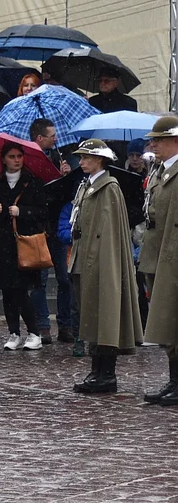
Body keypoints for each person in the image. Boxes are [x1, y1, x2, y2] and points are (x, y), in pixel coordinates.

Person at [65, 139, 143, 394]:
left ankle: (106, 373)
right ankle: (97, 370)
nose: (81, 161)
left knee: (105, 316)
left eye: (86, 157)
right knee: (92, 316)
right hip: (86, 259)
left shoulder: (108, 188)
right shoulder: (87, 186)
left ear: (99, 160)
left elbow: (108, 233)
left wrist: (101, 264)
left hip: (100, 262)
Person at [0, 140, 48, 351]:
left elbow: (43, 212)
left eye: (19, 156)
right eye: (12, 157)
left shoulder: (33, 183)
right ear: (3, 159)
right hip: (0, 246)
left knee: (20, 290)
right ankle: (14, 332)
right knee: (7, 291)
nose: (16, 161)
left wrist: (23, 212)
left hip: (23, 245)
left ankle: (34, 332)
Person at [139, 116, 178, 404]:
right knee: (165, 323)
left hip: (172, 257)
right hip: (157, 253)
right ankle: (173, 380)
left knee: (173, 320)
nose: (153, 144)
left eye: (159, 140)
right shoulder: (161, 171)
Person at [28, 117, 74, 344]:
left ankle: (65, 324)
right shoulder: (27, 159)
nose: (55, 139)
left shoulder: (57, 156)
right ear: (39, 138)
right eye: (51, 135)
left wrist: (64, 176)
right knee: (40, 280)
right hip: (39, 228)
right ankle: (43, 325)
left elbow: (64, 194)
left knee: (65, 279)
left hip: (57, 226)